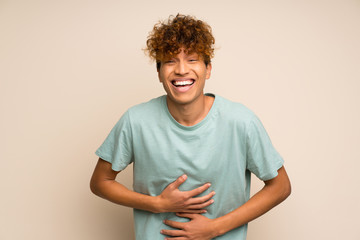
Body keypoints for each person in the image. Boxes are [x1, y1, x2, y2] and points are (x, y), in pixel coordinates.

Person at [90, 14, 291, 240]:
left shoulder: (241, 121)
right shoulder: (136, 121)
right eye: (170, 61)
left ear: (208, 69)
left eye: (192, 59)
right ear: (159, 73)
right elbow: (100, 182)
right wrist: (157, 203)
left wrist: (215, 228)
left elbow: (280, 186)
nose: (182, 70)